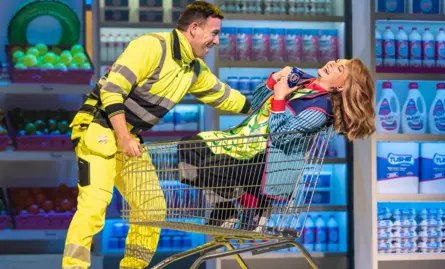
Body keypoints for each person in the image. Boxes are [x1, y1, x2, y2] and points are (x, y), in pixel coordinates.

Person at [62, 2, 251, 269]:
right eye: (214, 33)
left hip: (129, 136)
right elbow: (112, 90)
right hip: (98, 128)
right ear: (194, 28)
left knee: (151, 207)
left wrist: (270, 103)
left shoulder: (192, 69)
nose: (217, 41)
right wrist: (124, 138)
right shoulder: (151, 46)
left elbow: (225, 96)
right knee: (94, 206)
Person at [178, 59, 376, 229]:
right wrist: (275, 78)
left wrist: (280, 97)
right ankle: (226, 208)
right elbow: (254, 104)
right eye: (336, 61)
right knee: (189, 147)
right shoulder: (300, 80)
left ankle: (252, 205)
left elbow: (281, 136)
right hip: (242, 142)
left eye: (339, 69)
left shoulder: (320, 110)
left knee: (213, 168)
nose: (332, 64)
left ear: (341, 87)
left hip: (266, 161)